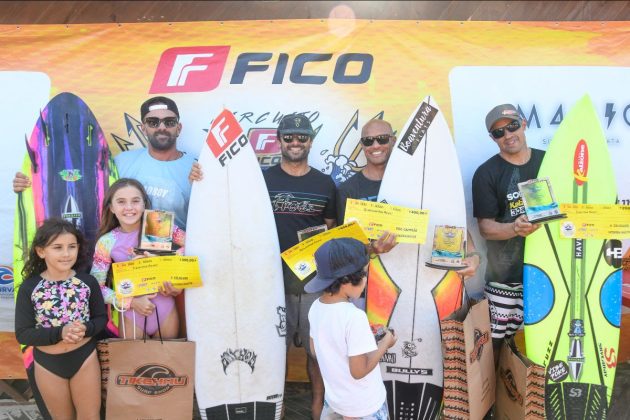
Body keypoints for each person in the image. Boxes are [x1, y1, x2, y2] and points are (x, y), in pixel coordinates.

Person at [188, 113, 336, 418]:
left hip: (312, 282)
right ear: (279, 140)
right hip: (265, 282)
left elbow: (331, 229)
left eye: (302, 137)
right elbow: (227, 202)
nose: (296, 142)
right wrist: (203, 177)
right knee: (268, 348)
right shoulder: (258, 179)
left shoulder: (324, 183)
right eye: (289, 137)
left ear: (311, 141)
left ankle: (317, 404)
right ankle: (274, 408)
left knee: (318, 350)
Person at [337, 119, 480, 280]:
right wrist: (372, 249)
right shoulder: (347, 190)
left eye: (382, 138)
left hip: (420, 280)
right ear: (362, 145)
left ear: (394, 141)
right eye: (368, 141)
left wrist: (473, 255)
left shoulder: (421, 182)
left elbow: (450, 222)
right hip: (369, 284)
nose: (375, 145)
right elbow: (344, 247)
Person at [472, 103, 545, 362]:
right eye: (498, 132)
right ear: (493, 138)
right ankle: (498, 401)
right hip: (505, 279)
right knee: (497, 351)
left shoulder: (549, 161)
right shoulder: (486, 173)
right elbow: (486, 228)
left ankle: (537, 398)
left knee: (544, 343)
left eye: (512, 126)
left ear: (523, 123)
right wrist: (515, 228)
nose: (507, 135)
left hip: (550, 273)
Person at [14, 218, 106, 420]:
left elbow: (101, 318)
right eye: (57, 247)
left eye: (72, 247)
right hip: (48, 364)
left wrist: (87, 329)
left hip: (85, 358)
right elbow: (23, 334)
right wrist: (60, 333)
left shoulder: (87, 282)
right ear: (41, 251)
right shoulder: (30, 288)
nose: (66, 254)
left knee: (90, 416)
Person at [305, 237, 397, 419]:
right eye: (364, 274)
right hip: (364, 407)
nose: (366, 279)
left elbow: (315, 350)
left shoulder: (315, 307)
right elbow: (358, 371)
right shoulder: (355, 317)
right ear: (347, 281)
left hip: (335, 402)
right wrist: (385, 343)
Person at [90, 178, 184, 339]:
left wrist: (170, 271)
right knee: (135, 365)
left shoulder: (158, 225)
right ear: (111, 207)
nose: (129, 208)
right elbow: (95, 287)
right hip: (131, 315)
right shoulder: (106, 241)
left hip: (166, 310)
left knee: (167, 364)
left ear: (144, 204)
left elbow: (194, 247)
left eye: (135, 201)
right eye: (121, 202)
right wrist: (131, 302)